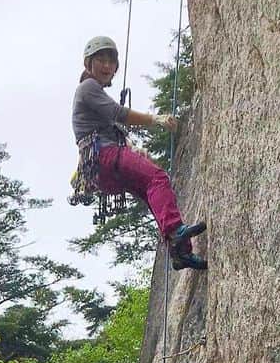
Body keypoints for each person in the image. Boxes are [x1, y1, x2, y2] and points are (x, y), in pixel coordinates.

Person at [72, 35, 206, 271]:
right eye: (100, 60)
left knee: (151, 193)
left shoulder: (94, 94)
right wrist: (155, 119)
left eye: (110, 62)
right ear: (88, 64)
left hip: (100, 166)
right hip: (103, 157)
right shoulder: (87, 86)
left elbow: (113, 126)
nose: (106, 66)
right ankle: (176, 233)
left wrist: (133, 149)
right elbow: (117, 113)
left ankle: (180, 253)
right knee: (157, 178)